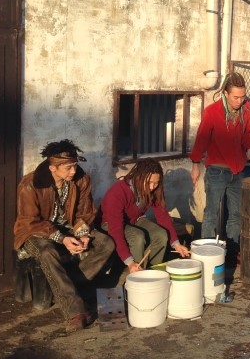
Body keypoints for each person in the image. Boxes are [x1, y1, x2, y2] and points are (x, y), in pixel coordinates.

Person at [13, 139, 114, 332]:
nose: (73, 171)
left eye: (75, 166)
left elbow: (85, 212)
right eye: (68, 168)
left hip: (68, 227)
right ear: (52, 168)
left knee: (106, 243)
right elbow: (29, 222)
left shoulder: (81, 179)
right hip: (35, 232)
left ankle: (68, 287)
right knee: (47, 251)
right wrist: (62, 238)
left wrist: (83, 234)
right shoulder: (30, 184)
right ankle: (76, 311)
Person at [190, 71, 250, 263]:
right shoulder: (212, 112)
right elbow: (201, 139)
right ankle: (207, 256)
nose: (240, 101)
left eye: (242, 96)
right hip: (217, 171)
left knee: (236, 214)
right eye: (236, 97)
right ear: (226, 93)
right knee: (211, 213)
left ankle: (231, 255)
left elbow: (247, 134)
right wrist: (195, 165)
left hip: (238, 171)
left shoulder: (246, 111)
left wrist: (249, 151)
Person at [97, 158, 191, 274]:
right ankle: (135, 274)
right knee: (137, 237)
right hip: (109, 224)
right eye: (149, 182)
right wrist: (129, 262)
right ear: (138, 177)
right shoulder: (117, 192)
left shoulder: (155, 190)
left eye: (156, 183)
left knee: (161, 235)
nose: (152, 187)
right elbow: (115, 230)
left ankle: (153, 272)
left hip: (134, 220)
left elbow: (162, 216)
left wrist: (176, 244)